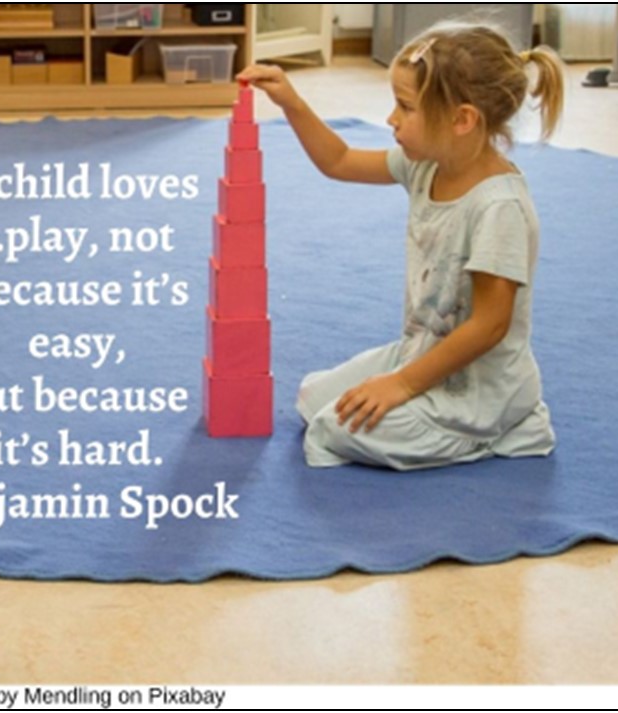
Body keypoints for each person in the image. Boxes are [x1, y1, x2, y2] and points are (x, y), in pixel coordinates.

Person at [237, 24, 565, 471]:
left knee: (332, 431)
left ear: (462, 120)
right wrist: (291, 102)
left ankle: (506, 427)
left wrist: (402, 385)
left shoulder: (498, 208)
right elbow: (339, 161)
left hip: (479, 389)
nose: (392, 119)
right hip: (424, 351)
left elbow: (490, 325)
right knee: (312, 400)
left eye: (406, 107)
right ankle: (427, 403)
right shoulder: (427, 165)